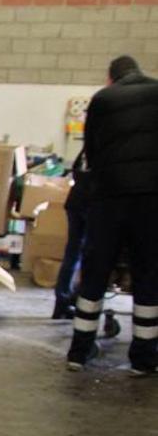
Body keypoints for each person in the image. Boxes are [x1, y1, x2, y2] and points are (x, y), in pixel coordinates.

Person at [67, 55, 158, 375]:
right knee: (148, 274)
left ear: (111, 77)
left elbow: (90, 151)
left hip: (109, 198)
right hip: (150, 200)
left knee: (95, 273)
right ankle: (144, 359)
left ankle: (79, 352)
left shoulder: (103, 99)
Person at [51, 148, 89, 320]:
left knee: (73, 252)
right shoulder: (115, 149)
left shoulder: (89, 147)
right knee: (90, 255)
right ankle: (79, 300)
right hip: (94, 204)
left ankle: (62, 301)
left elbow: (75, 169)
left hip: (76, 201)